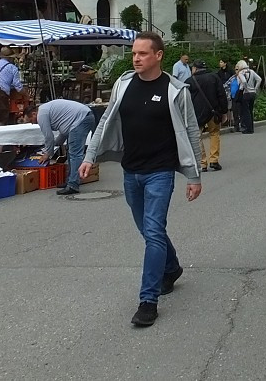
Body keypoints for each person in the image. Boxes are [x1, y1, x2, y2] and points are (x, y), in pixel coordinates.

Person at [80, 31, 202, 328]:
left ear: (158, 56)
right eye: (134, 53)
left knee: (153, 230)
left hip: (160, 172)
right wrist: (89, 156)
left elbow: (191, 132)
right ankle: (171, 268)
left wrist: (194, 175)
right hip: (130, 171)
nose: (136, 58)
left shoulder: (176, 90)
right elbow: (106, 120)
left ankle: (148, 301)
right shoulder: (123, 85)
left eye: (143, 53)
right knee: (150, 232)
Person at [35, 99, 95, 195]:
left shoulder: (41, 114)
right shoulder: (47, 109)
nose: (34, 123)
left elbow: (48, 137)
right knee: (71, 151)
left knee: (75, 152)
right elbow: (63, 133)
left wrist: (47, 154)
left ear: (33, 114)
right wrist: (55, 145)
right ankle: (70, 180)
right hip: (83, 116)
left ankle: (73, 184)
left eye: (29, 119)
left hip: (81, 118)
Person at [188, 60, 226, 171]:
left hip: (196, 114)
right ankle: (214, 160)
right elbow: (221, 94)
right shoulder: (214, 78)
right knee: (214, 133)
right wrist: (223, 111)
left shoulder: (190, 81)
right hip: (213, 112)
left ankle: (202, 162)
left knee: (197, 137)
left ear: (195, 69)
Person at [234, 59, 263, 133]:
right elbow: (259, 79)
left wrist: (246, 88)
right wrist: (255, 88)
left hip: (246, 94)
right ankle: (251, 127)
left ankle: (248, 129)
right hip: (253, 93)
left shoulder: (241, 73)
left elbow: (243, 81)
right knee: (250, 111)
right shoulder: (251, 71)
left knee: (245, 111)